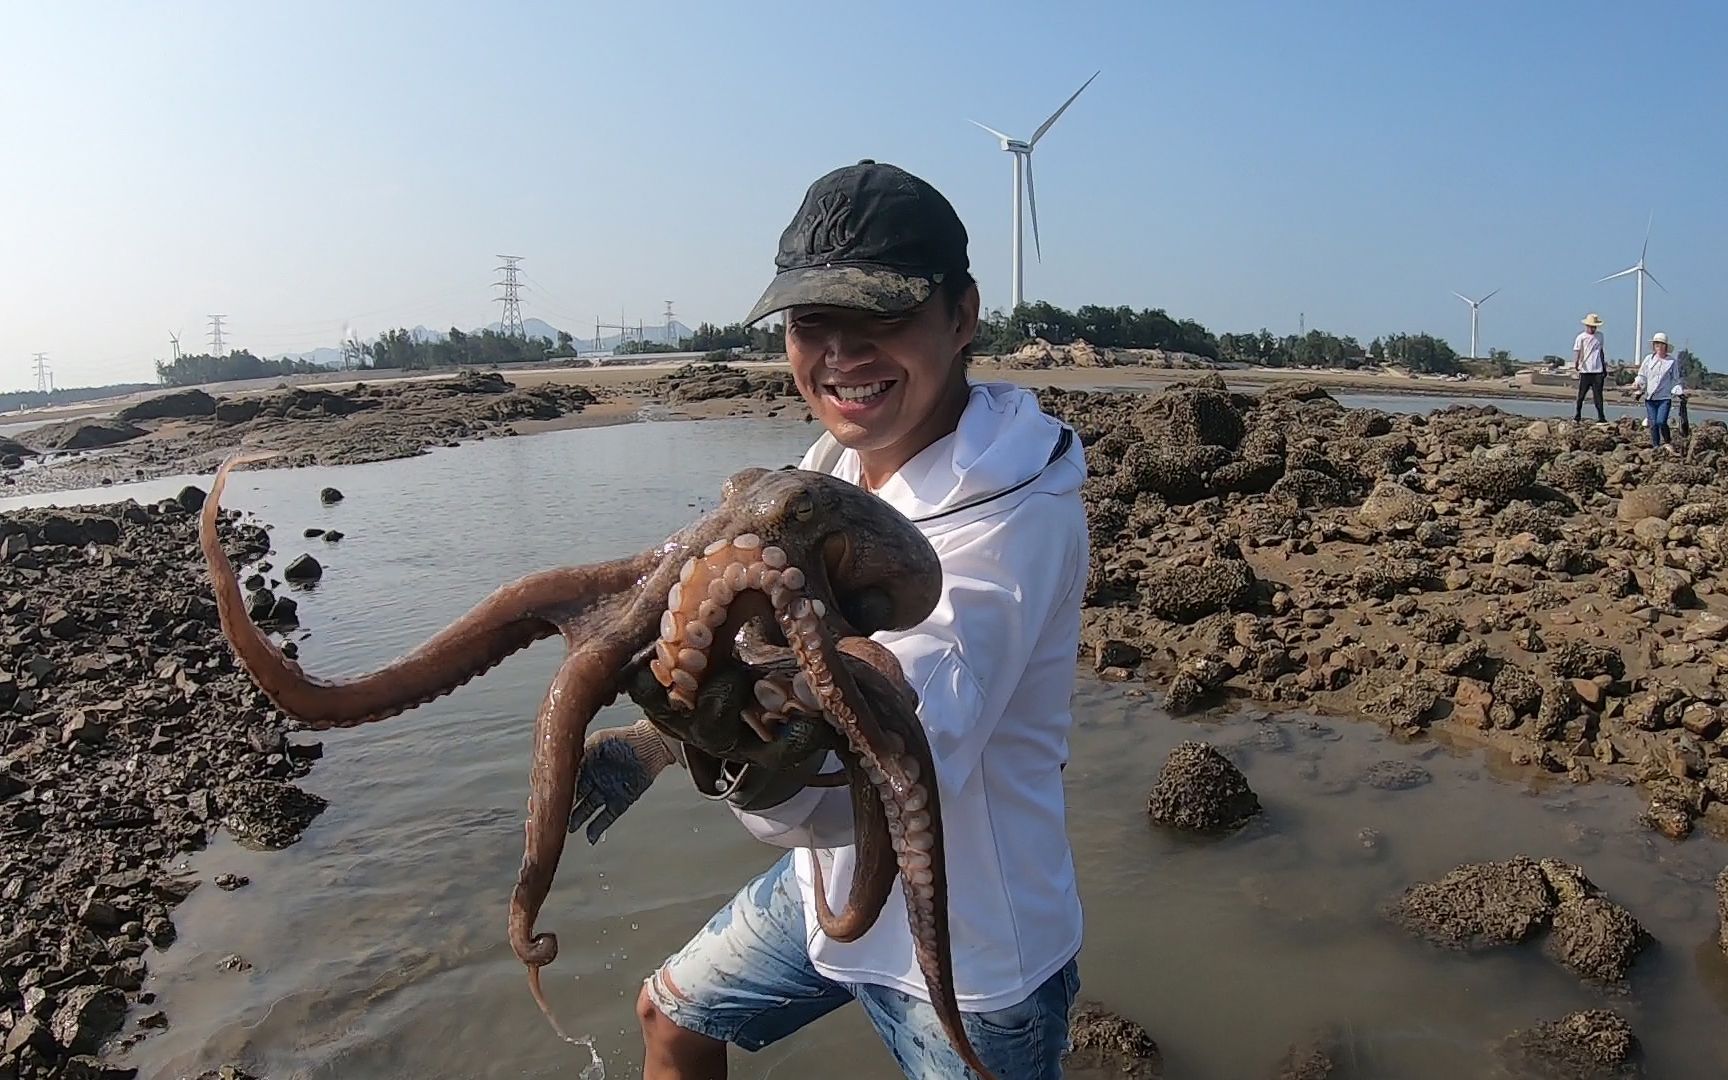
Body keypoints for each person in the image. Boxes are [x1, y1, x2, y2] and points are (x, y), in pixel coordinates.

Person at [569, 159, 1089, 1079]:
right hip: (828, 895)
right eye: (812, 321)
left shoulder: (1018, 512)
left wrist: (720, 730)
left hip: (969, 954)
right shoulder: (830, 474)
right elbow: (767, 628)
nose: (841, 354)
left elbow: (908, 728)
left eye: (880, 314)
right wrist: (649, 734)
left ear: (962, 315)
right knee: (670, 1017)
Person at [1633, 330, 1684, 450]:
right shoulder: (1648, 359)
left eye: (1661, 344)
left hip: (1664, 398)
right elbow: (1642, 376)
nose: (1659, 347)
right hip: (1650, 398)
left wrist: (1679, 391)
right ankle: (1656, 445)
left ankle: (1667, 441)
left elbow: (1676, 379)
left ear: (1666, 346)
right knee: (1653, 423)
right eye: (1657, 344)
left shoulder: (1671, 362)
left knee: (1661, 421)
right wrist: (1637, 385)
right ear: (1654, 346)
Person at [1573, 312, 1608, 423]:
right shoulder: (1581, 337)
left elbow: (1601, 351)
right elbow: (1577, 351)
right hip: (1585, 370)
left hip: (1597, 370)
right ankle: (1577, 415)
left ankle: (1601, 417)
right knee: (1581, 395)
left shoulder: (1600, 336)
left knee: (1598, 396)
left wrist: (1604, 366)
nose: (1592, 329)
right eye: (1590, 326)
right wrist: (1577, 362)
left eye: (1594, 327)